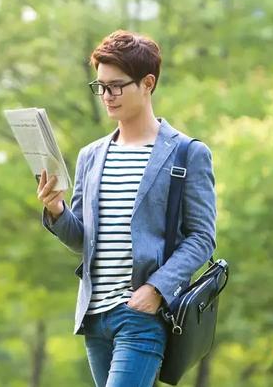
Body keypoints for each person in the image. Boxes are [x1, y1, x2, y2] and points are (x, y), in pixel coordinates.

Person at [37, 30, 217, 387]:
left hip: (142, 314)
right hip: (94, 317)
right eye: (101, 86)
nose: (107, 96)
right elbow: (82, 240)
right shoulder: (91, 156)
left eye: (116, 86)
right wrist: (56, 210)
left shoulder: (187, 154)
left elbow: (201, 238)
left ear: (147, 83)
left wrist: (155, 290)